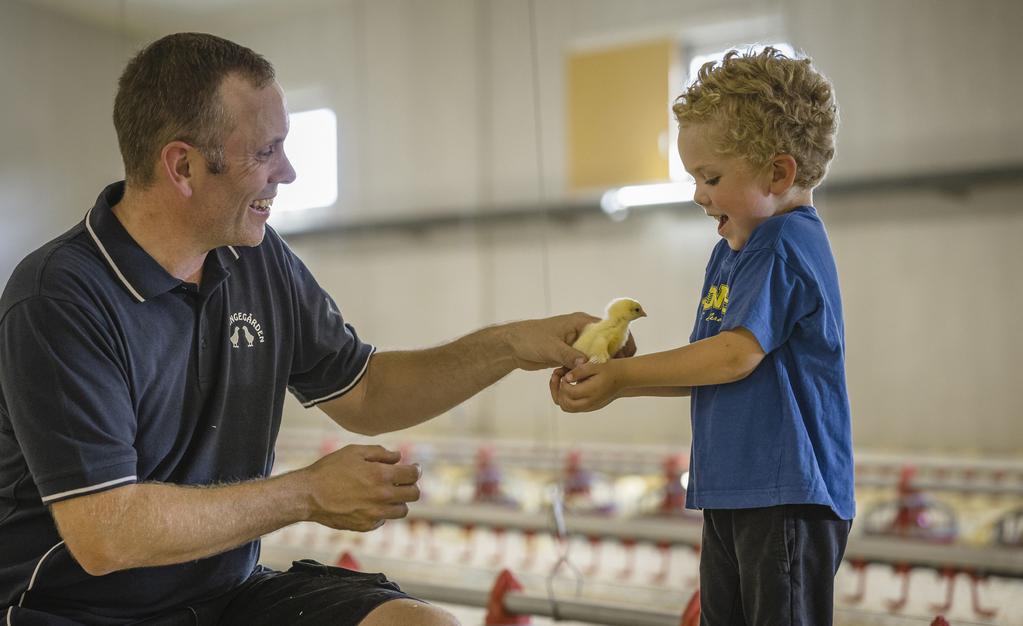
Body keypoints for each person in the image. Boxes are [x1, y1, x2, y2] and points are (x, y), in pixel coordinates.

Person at [0, 32, 610, 626]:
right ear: (183, 165)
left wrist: (508, 346)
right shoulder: (59, 297)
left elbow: (364, 391)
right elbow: (107, 533)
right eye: (265, 151)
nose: (286, 172)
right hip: (80, 609)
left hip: (224, 595)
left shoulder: (258, 260)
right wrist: (307, 493)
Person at [551, 47, 854, 625]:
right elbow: (706, 368)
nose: (697, 194)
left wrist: (621, 376)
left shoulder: (785, 242)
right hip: (735, 490)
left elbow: (734, 356)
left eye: (710, 177)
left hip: (786, 495)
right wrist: (613, 381)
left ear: (779, 173)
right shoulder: (732, 254)